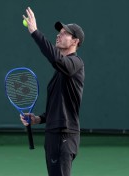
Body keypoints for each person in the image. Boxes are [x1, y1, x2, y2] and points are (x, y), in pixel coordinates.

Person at [20, 7, 85, 176]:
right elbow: (57, 108)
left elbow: (55, 58)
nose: (59, 35)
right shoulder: (60, 71)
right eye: (59, 32)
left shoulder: (75, 63)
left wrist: (35, 32)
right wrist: (38, 119)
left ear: (75, 41)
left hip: (64, 135)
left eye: (65, 33)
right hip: (53, 135)